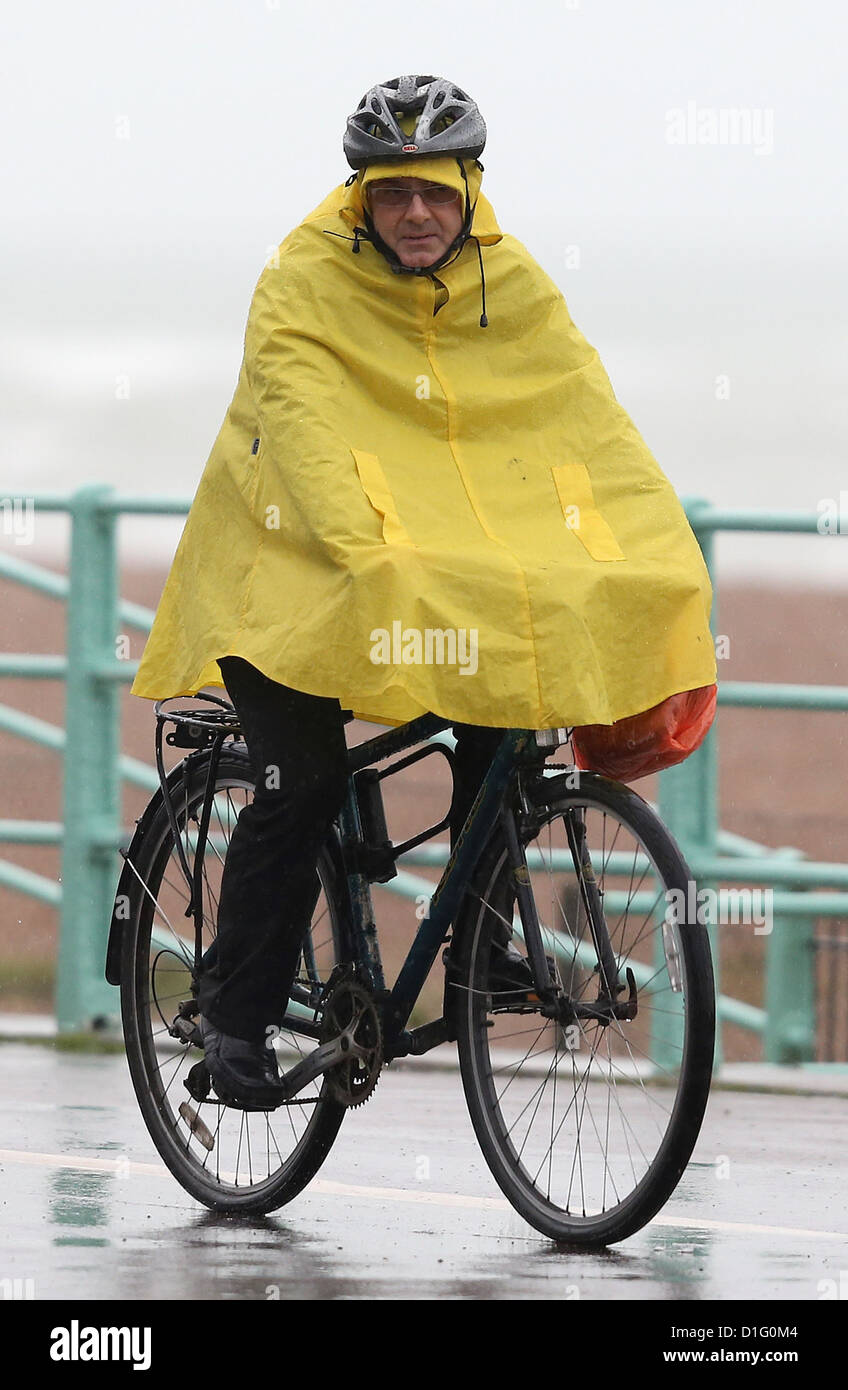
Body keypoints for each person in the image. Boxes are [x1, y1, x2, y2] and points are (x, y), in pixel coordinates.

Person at [131, 74, 716, 1107]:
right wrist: (365, 548)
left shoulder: (514, 284)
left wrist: (651, 547)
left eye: (433, 192)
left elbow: (588, 427)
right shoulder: (301, 280)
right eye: (391, 192)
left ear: (468, 189)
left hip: (410, 578)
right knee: (298, 781)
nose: (413, 212)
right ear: (359, 195)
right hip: (281, 574)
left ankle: (479, 947)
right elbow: (304, 429)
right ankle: (233, 1017)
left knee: (501, 723)